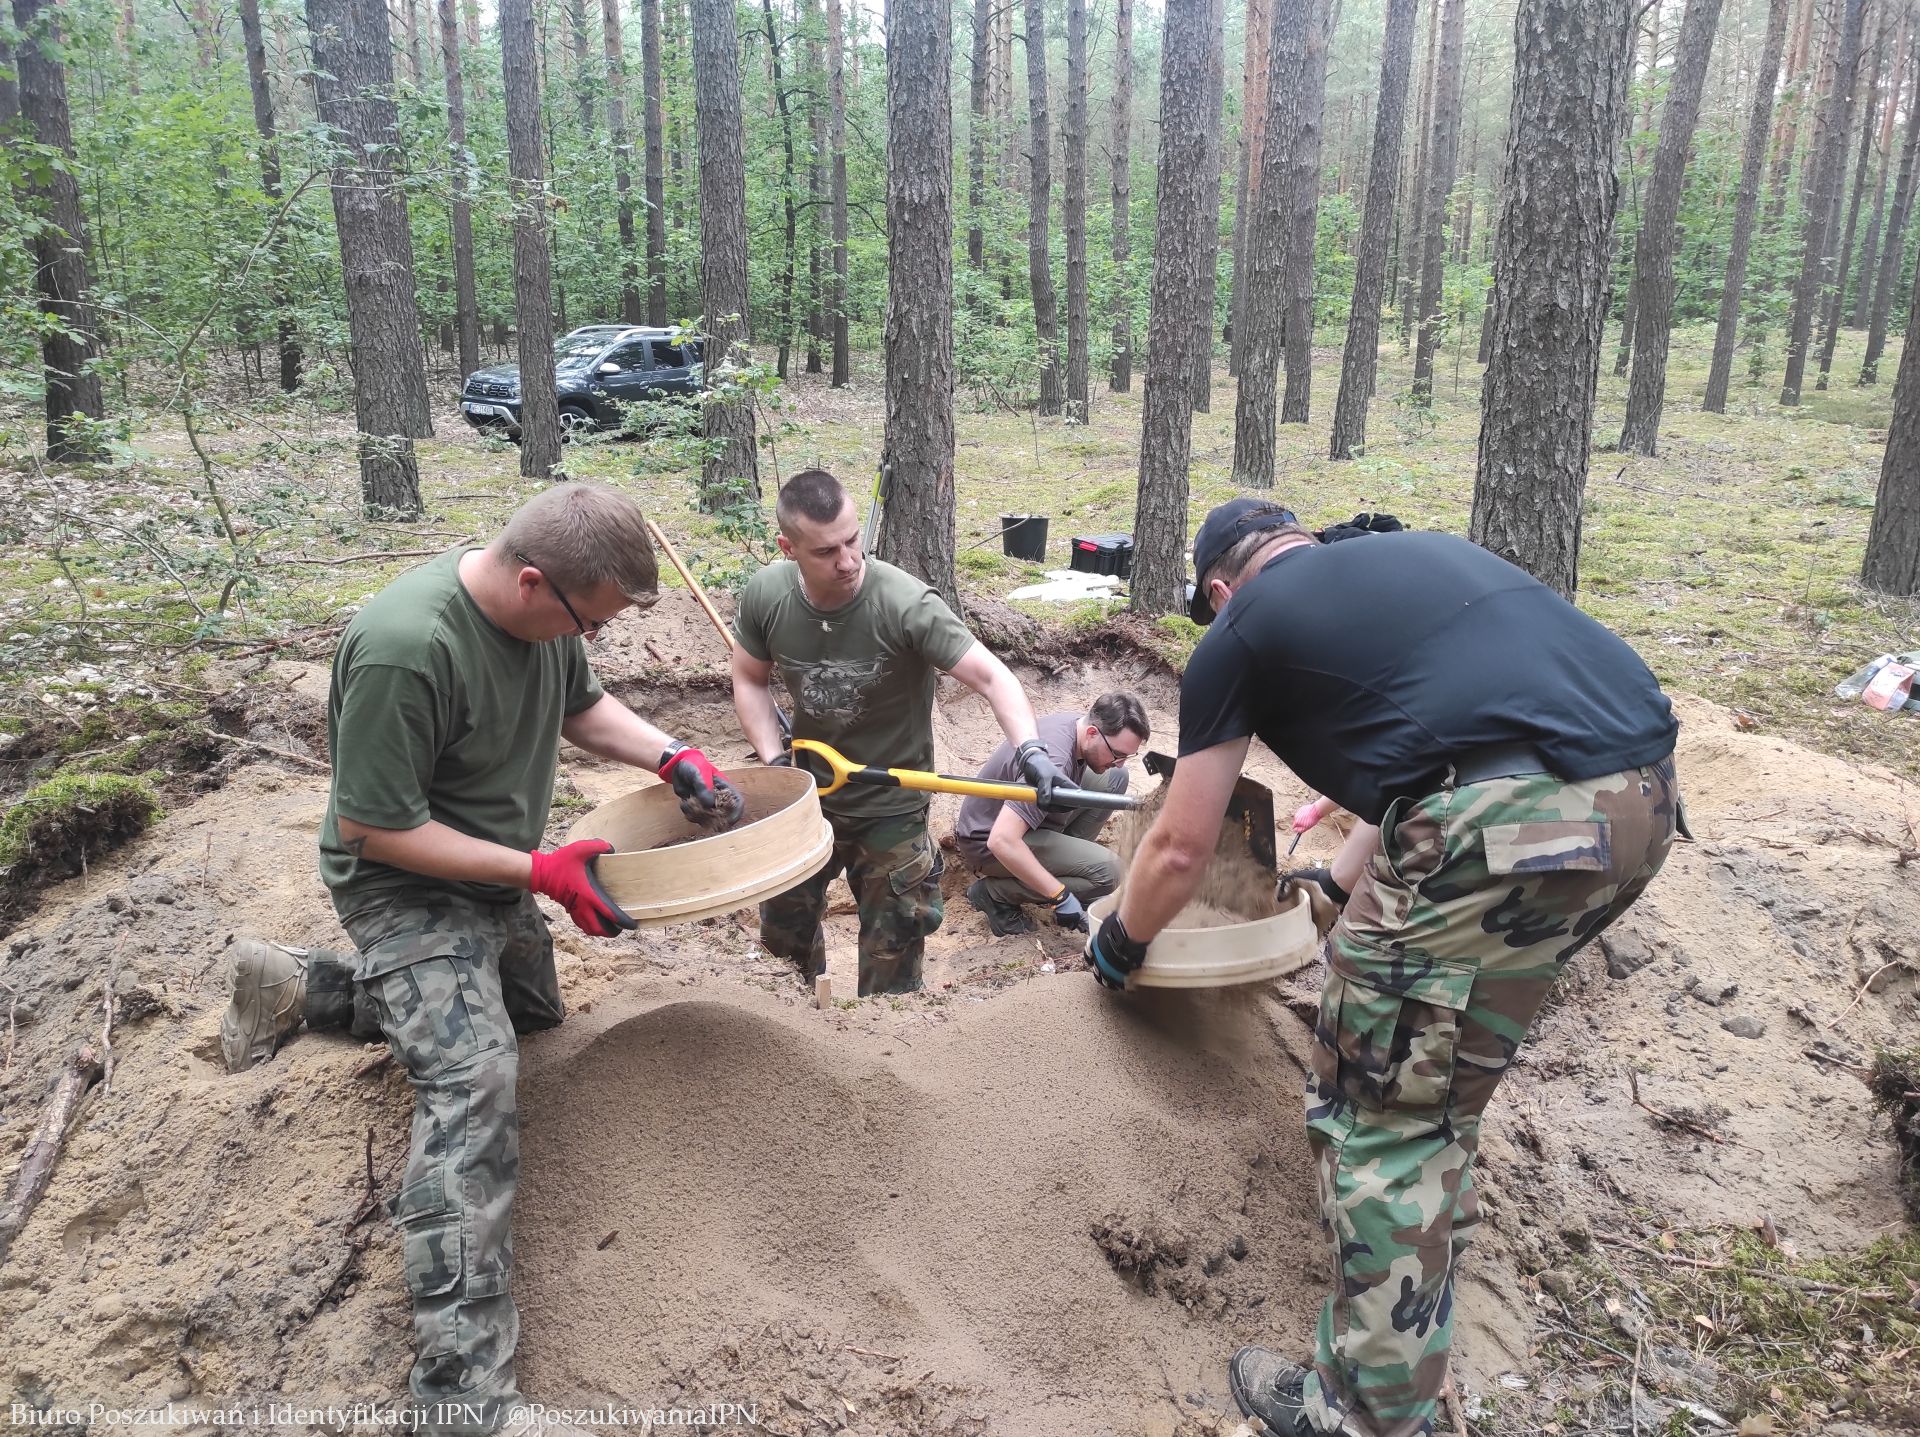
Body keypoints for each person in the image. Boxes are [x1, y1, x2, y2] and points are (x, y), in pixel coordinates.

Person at [1086, 499, 1682, 1437]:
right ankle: (1425, 1273)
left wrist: (1120, 943)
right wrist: (1334, 884)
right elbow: (1430, 761)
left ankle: (1366, 1409)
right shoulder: (1409, 561)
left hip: (1505, 823)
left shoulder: (1241, 629)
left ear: (1220, 591)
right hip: (1643, 800)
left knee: (1377, 1110)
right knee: (1437, 1070)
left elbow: (1177, 847)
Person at [218, 483, 743, 1437]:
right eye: (590, 621)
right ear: (534, 580)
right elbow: (374, 828)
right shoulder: (407, 648)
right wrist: (541, 871)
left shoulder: (546, 620)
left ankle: (297, 984)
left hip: (492, 872)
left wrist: (671, 755)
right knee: (475, 1076)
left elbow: (583, 705)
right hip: (403, 884)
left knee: (531, 1017)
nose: (591, 639)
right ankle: (465, 1398)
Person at [732, 468, 1061, 997]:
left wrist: (1032, 751)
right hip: (806, 799)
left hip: (893, 807)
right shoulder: (766, 596)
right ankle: (795, 1029)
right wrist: (774, 762)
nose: (847, 561)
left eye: (852, 540)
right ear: (787, 548)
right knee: (783, 940)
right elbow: (749, 679)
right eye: (826, 551)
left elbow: (992, 677)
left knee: (894, 958)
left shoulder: (905, 603)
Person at [951, 692, 1150, 935]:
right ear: (1092, 733)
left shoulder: (1076, 727)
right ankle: (995, 894)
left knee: (1115, 778)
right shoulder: (1054, 759)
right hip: (987, 843)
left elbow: (1113, 770)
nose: (1119, 761)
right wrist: (1059, 896)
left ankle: (1069, 870)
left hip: (1022, 825)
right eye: (1117, 754)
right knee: (1109, 873)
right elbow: (1001, 840)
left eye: (1127, 756)